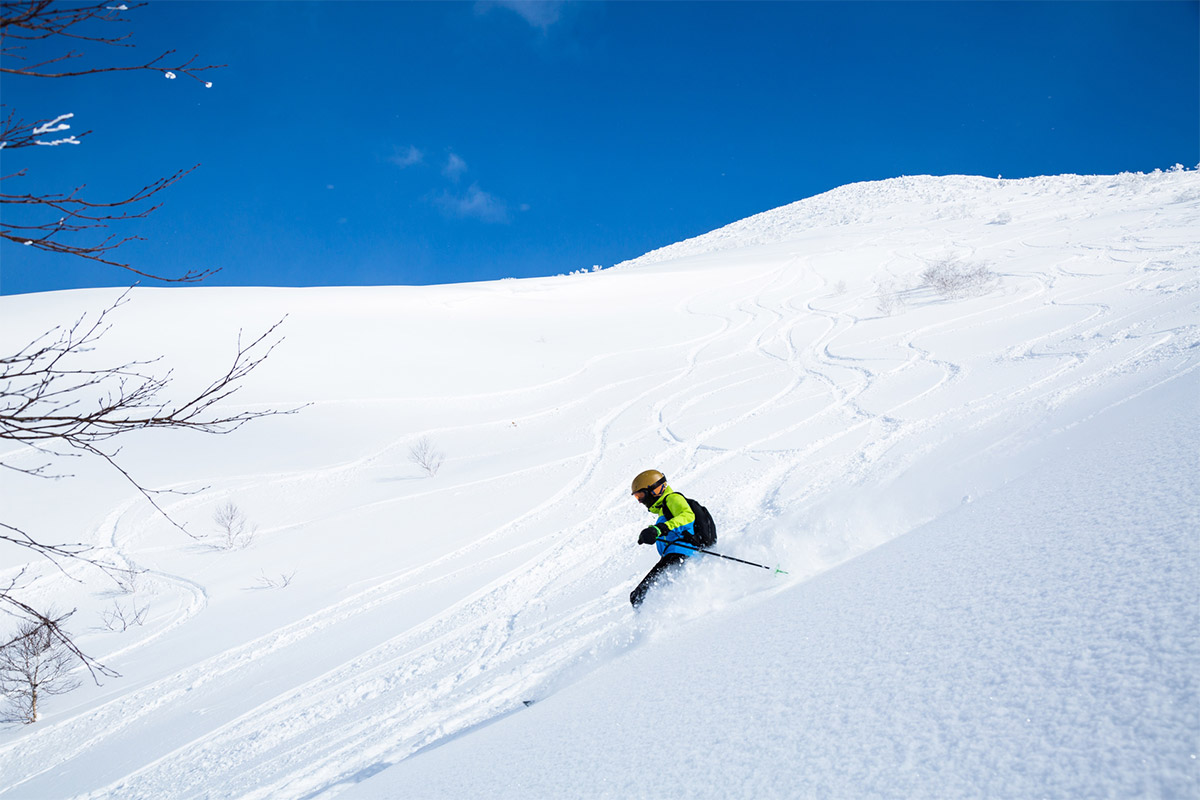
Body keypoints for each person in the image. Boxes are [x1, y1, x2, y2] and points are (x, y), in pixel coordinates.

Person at [629, 469, 699, 608]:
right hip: (676, 555)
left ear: (654, 490)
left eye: (641, 495)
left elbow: (688, 516)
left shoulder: (673, 498)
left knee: (641, 595)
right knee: (642, 596)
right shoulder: (664, 510)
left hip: (681, 553)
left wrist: (660, 528)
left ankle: (655, 623)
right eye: (637, 497)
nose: (640, 501)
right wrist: (651, 533)